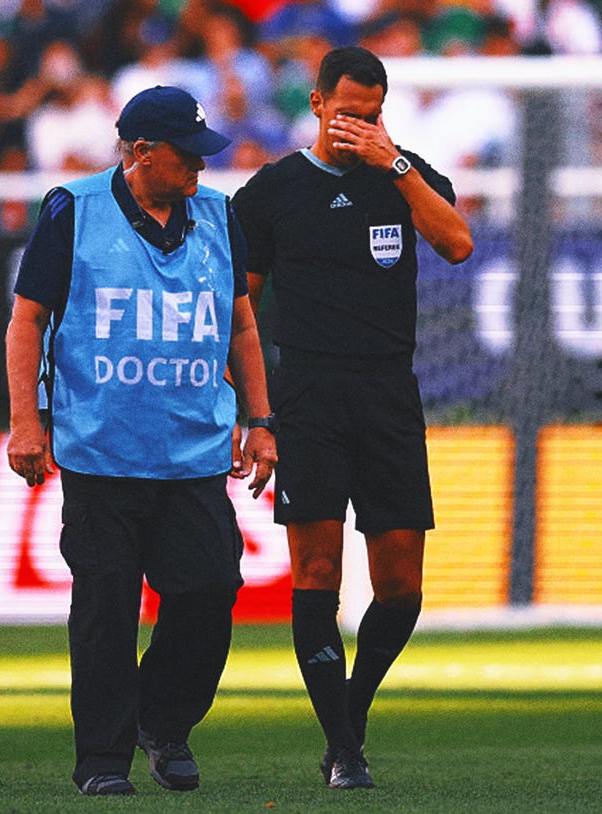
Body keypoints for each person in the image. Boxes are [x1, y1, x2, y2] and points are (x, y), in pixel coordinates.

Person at [4, 85, 276, 796]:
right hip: (100, 451)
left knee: (211, 589)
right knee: (105, 608)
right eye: (186, 155)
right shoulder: (74, 210)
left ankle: (163, 720)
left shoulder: (218, 214)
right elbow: (27, 319)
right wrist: (26, 421)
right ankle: (102, 759)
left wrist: (261, 420)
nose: (199, 168)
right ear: (139, 153)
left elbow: (242, 325)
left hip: (194, 452)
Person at [232, 45, 473, 790]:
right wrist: (257, 413)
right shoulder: (270, 193)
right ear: (315, 105)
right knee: (317, 570)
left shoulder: (404, 175)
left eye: (370, 116)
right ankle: (345, 749)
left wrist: (393, 163)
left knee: (401, 585)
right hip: (307, 394)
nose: (358, 128)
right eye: (346, 115)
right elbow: (240, 305)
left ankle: (352, 718)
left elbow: (458, 244)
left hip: (388, 392)